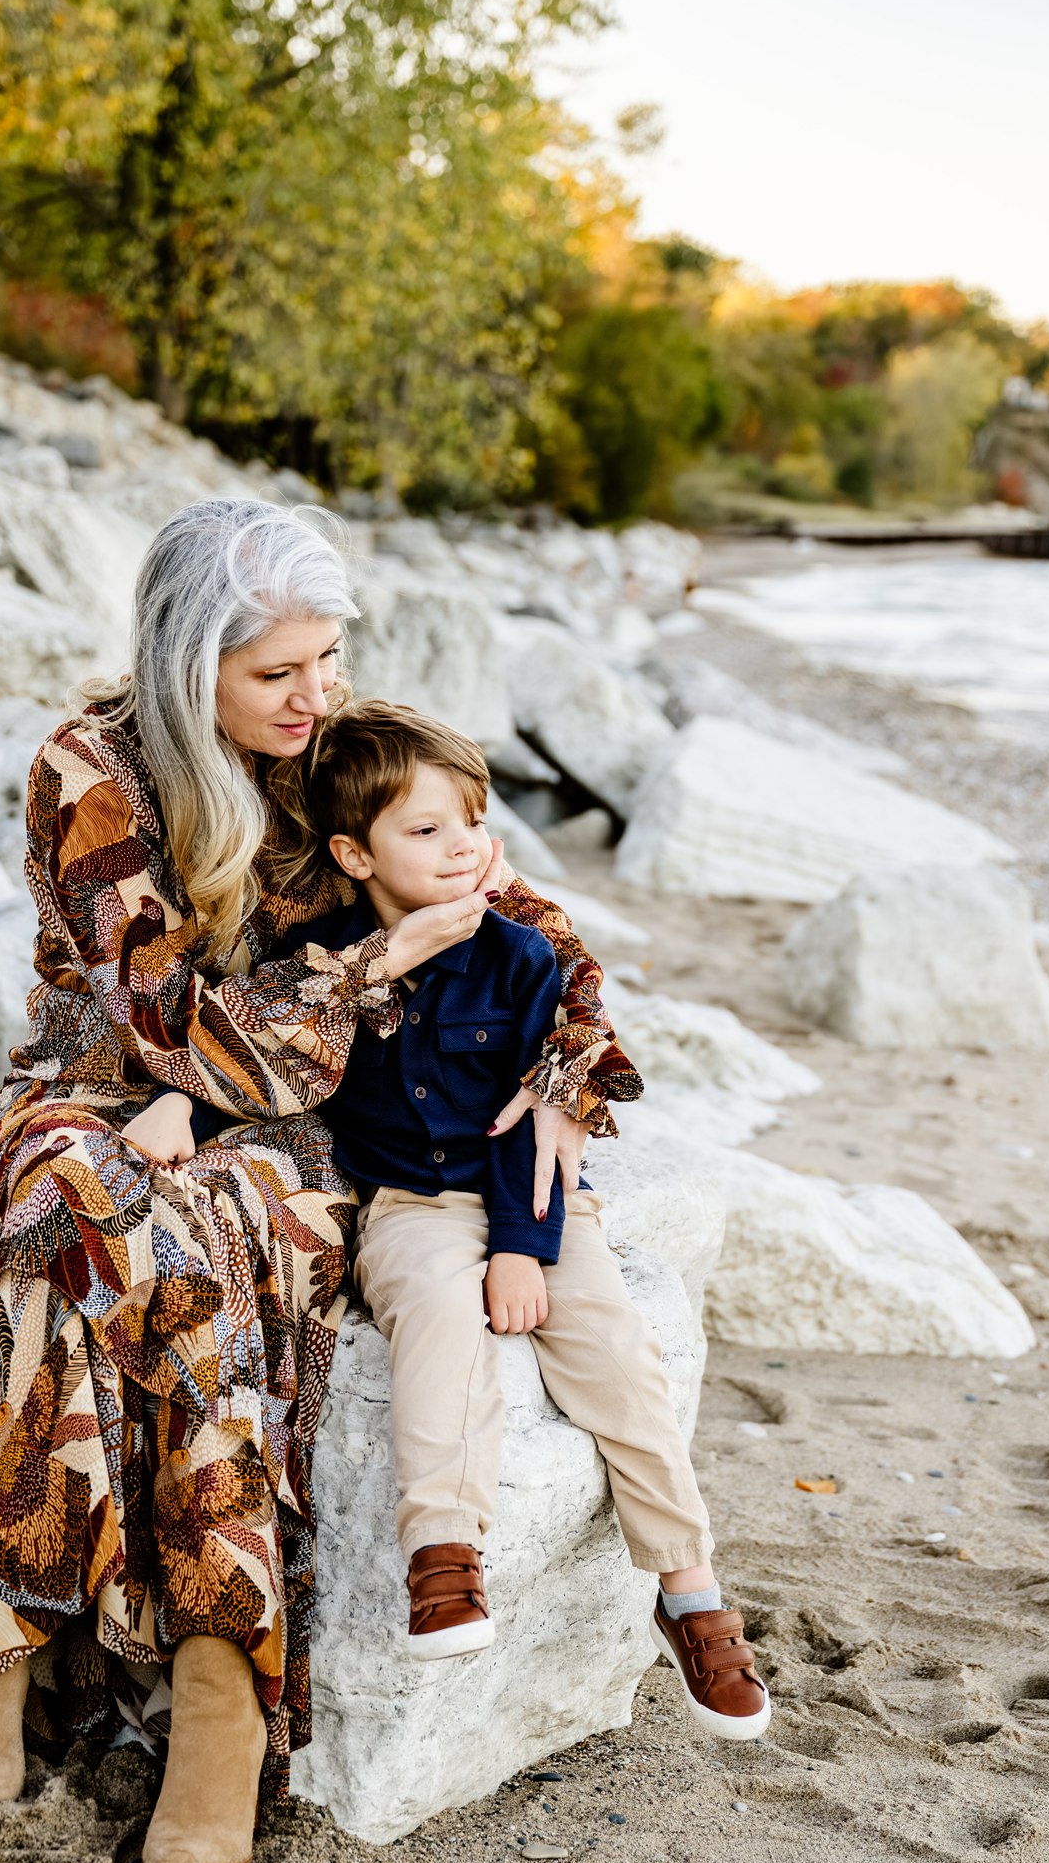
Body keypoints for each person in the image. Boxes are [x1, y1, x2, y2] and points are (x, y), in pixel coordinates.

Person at [0, 502, 638, 1863]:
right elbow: (171, 1030)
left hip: (310, 1118)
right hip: (103, 1080)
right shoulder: (93, 772)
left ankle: (220, 1691)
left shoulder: (350, 755)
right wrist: (369, 964)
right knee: (61, 1198)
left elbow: (539, 932)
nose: (315, 696)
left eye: (327, 658)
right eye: (275, 672)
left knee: (201, 1234)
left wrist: (562, 1073)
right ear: (191, 668)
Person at [142, 701, 771, 1741]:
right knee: (437, 1309)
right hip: (410, 1202)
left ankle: (690, 1587)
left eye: (472, 823)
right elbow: (270, 1054)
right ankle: (444, 1552)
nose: (462, 847)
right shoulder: (328, 957)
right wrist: (184, 1101)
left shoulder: (521, 958)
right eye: (425, 830)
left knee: (612, 1347)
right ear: (354, 852)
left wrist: (525, 1253)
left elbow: (536, 1107)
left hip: (529, 1193)